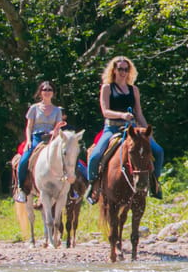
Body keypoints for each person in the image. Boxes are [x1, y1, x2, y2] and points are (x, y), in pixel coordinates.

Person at [85, 56, 164, 203]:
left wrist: (147, 132)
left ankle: (155, 184)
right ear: (114, 70)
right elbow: (105, 111)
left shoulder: (133, 90)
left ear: (130, 71)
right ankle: (92, 186)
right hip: (112, 128)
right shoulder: (107, 88)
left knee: (158, 151)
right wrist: (122, 114)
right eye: (120, 69)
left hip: (132, 129)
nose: (123, 72)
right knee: (96, 155)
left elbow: (139, 113)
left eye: (126, 69)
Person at [14, 81, 67, 203]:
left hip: (52, 139)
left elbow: (58, 126)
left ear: (53, 93)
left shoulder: (57, 110)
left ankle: (70, 189)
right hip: (37, 137)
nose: (47, 92)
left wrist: (55, 132)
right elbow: (29, 126)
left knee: (67, 157)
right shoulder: (34, 108)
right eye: (45, 89)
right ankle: (21, 189)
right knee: (24, 160)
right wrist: (28, 140)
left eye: (50, 90)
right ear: (40, 92)